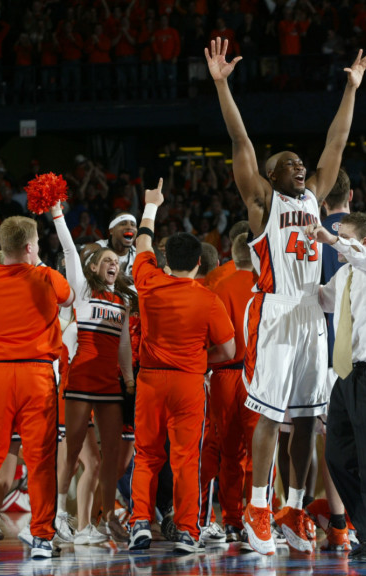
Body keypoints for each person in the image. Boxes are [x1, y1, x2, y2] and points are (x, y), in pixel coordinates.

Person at [205, 36, 366, 555]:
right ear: (272, 175)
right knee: (272, 417)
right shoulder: (261, 201)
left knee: (306, 418)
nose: (300, 166)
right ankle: (258, 508)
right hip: (275, 312)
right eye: (290, 163)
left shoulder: (315, 198)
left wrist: (350, 88)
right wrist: (221, 85)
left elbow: (337, 144)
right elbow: (240, 141)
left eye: (302, 164)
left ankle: (293, 508)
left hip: (311, 314)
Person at [0, 215, 75, 560]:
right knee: (40, 461)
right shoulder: (45, 276)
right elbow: (67, 298)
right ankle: (40, 538)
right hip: (35, 376)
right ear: (29, 247)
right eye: (36, 244)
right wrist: (37, 262)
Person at [128, 179, 236, 554]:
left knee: (146, 455)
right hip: (189, 382)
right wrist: (201, 362)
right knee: (186, 459)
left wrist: (152, 206)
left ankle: (139, 523)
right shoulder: (208, 300)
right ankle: (188, 531)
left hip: (150, 380)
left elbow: (141, 242)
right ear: (198, 263)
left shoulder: (148, 281)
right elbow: (229, 348)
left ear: (166, 260)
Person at [307, 213, 366, 563]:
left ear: (363, 242)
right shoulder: (346, 273)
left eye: (346, 237)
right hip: (347, 376)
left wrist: (331, 239)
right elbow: (323, 301)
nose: (338, 244)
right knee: (338, 456)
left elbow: (361, 256)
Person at [51, 199, 135, 543]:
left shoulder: (124, 301)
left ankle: (106, 519)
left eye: (116, 262)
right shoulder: (83, 290)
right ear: (95, 267)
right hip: (81, 379)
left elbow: (125, 345)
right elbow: (70, 250)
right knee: (71, 450)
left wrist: (128, 378)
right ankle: (58, 514)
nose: (113, 264)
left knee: (112, 455)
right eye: (107, 261)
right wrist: (57, 212)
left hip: (110, 383)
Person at [207, 232, 261, 543]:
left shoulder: (218, 285)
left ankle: (231, 520)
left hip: (224, 375)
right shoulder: (266, 285)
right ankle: (260, 516)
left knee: (229, 454)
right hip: (257, 377)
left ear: (232, 252)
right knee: (260, 452)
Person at [96, 211, 138, 279]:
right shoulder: (97, 249)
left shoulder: (138, 256)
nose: (130, 227)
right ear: (111, 231)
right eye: (123, 224)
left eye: (133, 224)